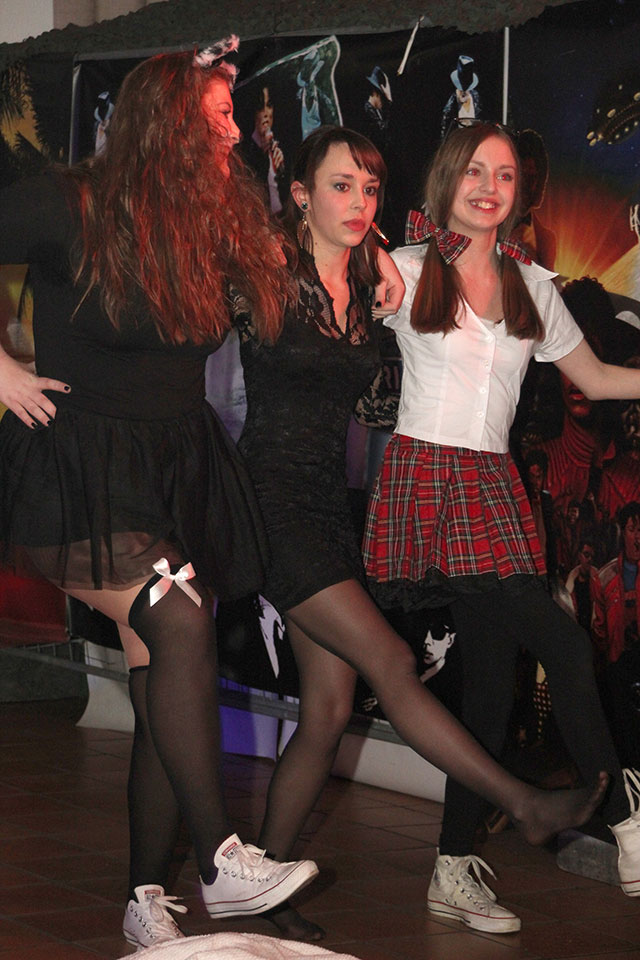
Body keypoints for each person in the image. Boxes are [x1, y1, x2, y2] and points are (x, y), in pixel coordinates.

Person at [234, 125, 608, 941]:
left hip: (333, 503)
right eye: (340, 186)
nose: (358, 202)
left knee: (330, 707)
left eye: (369, 188)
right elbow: (175, 323)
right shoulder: (276, 270)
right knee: (401, 664)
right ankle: (533, 804)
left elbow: (396, 376)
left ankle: (261, 886)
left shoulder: (377, 277)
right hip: (272, 501)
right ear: (299, 194)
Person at [0, 42, 320, 950]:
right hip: (77, 470)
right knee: (178, 619)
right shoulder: (67, 202)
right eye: (216, 116)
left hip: (173, 469)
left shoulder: (208, 219)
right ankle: (222, 861)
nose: (232, 133)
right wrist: (1, 366)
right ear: (165, 121)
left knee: (164, 670)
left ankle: (146, 898)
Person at [362, 120, 640, 932]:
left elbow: (595, 377)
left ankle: (453, 867)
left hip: (492, 486)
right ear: (447, 178)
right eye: (476, 171)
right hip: (425, 479)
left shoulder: (533, 286)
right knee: (562, 644)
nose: (490, 187)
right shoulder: (406, 268)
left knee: (490, 685)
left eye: (506, 175)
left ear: (520, 193)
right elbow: (335, 311)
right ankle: (627, 821)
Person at [240, 85, 288, 215]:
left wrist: (282, 173)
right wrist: (262, 158)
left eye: (269, 105)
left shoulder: (279, 145)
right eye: (260, 107)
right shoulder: (246, 151)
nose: (266, 113)